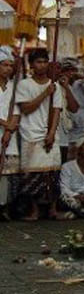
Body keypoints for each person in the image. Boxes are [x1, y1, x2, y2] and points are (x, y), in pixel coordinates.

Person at [16, 48, 64, 221]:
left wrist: (51, 133)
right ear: (32, 65)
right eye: (38, 62)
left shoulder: (55, 86)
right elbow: (26, 109)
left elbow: (57, 111)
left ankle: (52, 209)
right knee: (32, 175)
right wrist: (45, 93)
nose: (42, 65)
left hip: (49, 134)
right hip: (30, 133)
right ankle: (34, 210)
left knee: (52, 173)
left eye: (45, 61)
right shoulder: (24, 85)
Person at [0, 46, 21, 218]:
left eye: (10, 65)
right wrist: (5, 124)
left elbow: (16, 110)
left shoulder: (15, 88)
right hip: (4, 127)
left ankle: (4, 206)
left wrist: (10, 128)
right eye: (4, 65)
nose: (8, 68)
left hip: (10, 134)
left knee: (7, 174)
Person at [61, 58, 84, 161]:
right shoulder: (61, 86)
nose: (71, 73)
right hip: (67, 133)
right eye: (67, 70)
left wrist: (82, 77)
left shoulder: (80, 84)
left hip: (82, 132)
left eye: (73, 70)